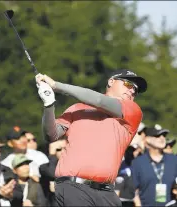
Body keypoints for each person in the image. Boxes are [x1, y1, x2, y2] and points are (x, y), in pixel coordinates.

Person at [35, 69, 147, 206]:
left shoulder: (132, 110)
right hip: (73, 187)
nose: (132, 91)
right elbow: (51, 135)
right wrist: (49, 105)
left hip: (107, 193)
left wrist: (56, 85)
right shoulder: (77, 108)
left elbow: (99, 100)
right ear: (111, 81)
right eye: (129, 84)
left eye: (136, 90)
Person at [131, 127, 177, 207]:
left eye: (164, 135)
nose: (162, 138)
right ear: (147, 139)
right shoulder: (137, 162)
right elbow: (135, 190)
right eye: (157, 136)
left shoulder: (174, 160)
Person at [39, 139, 67, 206]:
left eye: (65, 148)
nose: (63, 151)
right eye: (58, 149)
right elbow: (53, 173)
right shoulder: (44, 167)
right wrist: (52, 155)